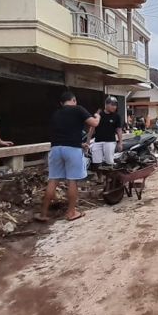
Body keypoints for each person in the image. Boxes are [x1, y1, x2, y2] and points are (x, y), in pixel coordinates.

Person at [39, 90, 100, 222]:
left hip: (55, 149)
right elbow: (94, 124)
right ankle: (71, 212)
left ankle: (43, 213)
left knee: (53, 180)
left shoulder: (56, 114)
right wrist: (97, 117)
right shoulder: (78, 109)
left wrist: (80, 144)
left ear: (62, 103)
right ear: (74, 100)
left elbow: (64, 133)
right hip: (71, 150)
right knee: (72, 180)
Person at [85, 96, 123, 172]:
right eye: (112, 105)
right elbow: (92, 129)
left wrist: (120, 143)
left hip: (110, 142)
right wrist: (88, 142)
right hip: (98, 141)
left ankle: (109, 179)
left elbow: (119, 130)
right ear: (106, 104)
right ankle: (100, 179)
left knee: (109, 162)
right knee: (96, 162)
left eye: (115, 105)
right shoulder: (99, 115)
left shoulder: (116, 116)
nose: (114, 107)